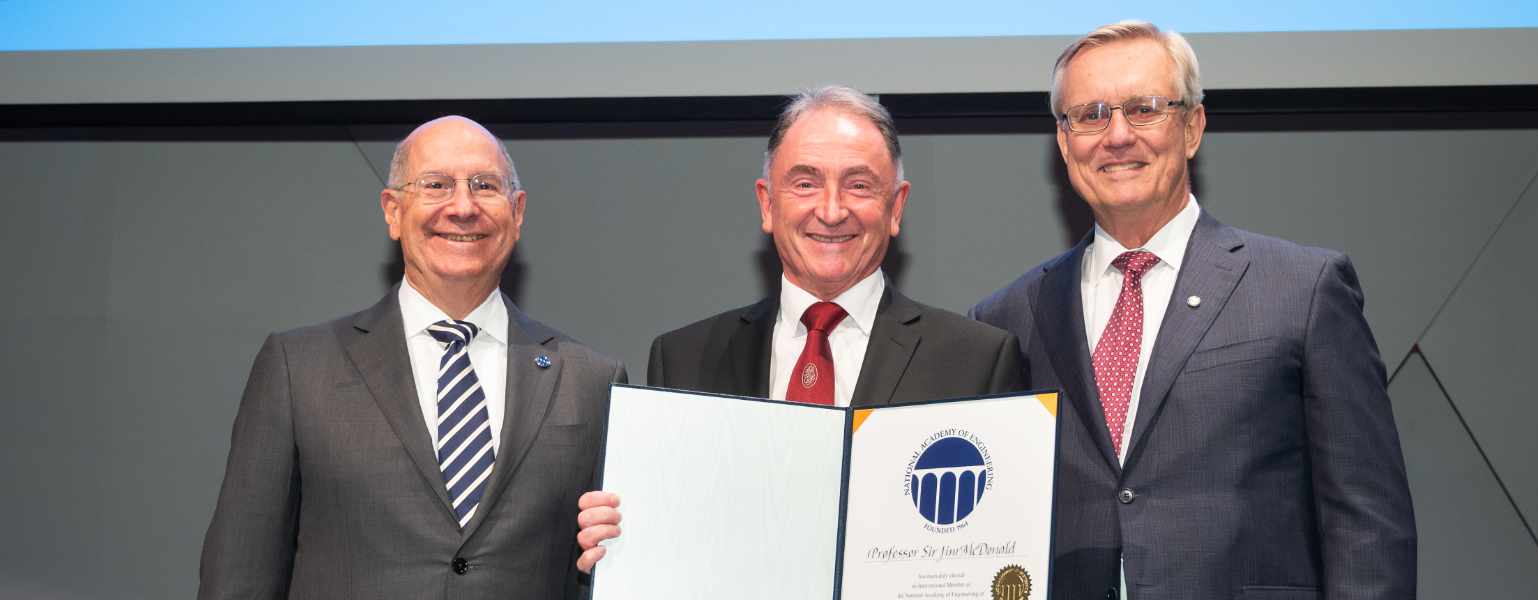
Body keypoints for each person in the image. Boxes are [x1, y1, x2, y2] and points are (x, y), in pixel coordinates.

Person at [972, 21, 1417, 600]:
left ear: (1192, 127)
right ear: (1063, 142)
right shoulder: (1008, 319)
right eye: (1091, 114)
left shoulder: (1302, 291)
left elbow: (1368, 528)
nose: (1118, 135)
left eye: (1145, 108)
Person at [574, 86, 1026, 573]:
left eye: (859, 185)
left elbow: (991, 549)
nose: (831, 211)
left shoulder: (976, 360)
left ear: (896, 207)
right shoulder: (681, 358)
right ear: (767, 204)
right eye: (806, 183)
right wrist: (620, 543)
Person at [199, 116, 625, 599]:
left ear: (518, 211)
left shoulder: (590, 380)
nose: (462, 207)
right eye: (436, 185)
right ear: (393, 211)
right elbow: (239, 577)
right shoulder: (298, 369)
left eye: (484, 186)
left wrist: (612, 552)